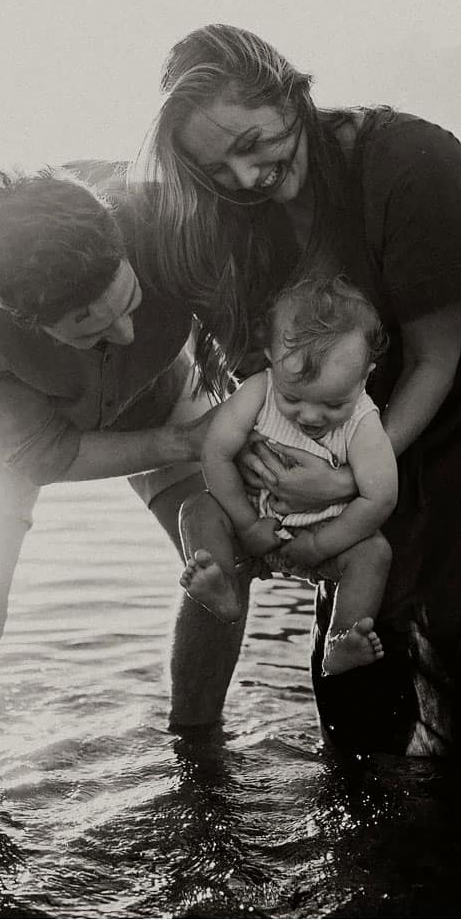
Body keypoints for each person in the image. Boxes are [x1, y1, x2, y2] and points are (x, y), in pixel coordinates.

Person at [146, 23, 461, 776]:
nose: (247, 177)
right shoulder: (239, 216)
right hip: (355, 394)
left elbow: (435, 362)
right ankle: (364, 785)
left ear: (290, 89)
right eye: (220, 169)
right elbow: (266, 366)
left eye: (254, 141)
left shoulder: (410, 163)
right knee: (363, 590)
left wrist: (350, 479)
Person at [0, 163, 210, 781]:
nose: (126, 333)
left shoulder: (170, 214)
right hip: (2, 434)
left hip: (159, 387)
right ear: (29, 319)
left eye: (128, 302)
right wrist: (183, 441)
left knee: (217, 554)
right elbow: (42, 456)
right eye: (91, 327)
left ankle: (199, 754)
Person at [181, 271, 397, 681]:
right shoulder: (259, 390)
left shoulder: (364, 421)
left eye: (334, 403)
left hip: (325, 532)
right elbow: (216, 450)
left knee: (374, 554)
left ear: (366, 375)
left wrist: (319, 544)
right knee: (197, 508)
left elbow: (380, 498)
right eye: (293, 397)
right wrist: (245, 525)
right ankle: (224, 588)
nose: (311, 416)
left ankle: (340, 640)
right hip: (251, 520)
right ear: (270, 358)